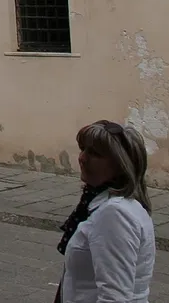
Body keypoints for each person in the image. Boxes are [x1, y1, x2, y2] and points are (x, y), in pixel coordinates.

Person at [55, 119, 156, 302]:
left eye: (94, 154)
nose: (82, 158)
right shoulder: (101, 203)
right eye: (83, 149)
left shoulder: (115, 214)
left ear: (120, 164)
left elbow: (114, 296)